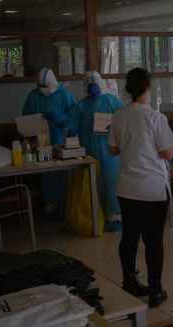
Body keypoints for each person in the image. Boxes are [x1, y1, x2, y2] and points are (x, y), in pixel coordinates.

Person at [108, 68, 173, 307]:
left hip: (127, 189)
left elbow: (113, 150)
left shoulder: (118, 116)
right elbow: (168, 152)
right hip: (153, 189)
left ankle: (129, 282)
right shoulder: (156, 118)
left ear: (128, 88)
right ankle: (156, 291)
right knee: (153, 240)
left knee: (129, 237)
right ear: (148, 87)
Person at [71, 71, 124, 232]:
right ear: (86, 88)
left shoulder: (111, 101)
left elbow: (124, 119)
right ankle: (96, 218)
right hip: (89, 152)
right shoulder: (80, 106)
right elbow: (71, 124)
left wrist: (114, 125)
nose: (93, 89)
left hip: (110, 152)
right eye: (90, 86)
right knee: (93, 186)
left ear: (100, 85)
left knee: (111, 184)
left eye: (95, 86)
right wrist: (71, 132)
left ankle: (115, 218)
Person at [23, 68, 76, 216]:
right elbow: (26, 118)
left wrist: (59, 118)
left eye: (46, 87)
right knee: (47, 175)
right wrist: (30, 135)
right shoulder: (33, 96)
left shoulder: (65, 95)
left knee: (63, 175)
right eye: (41, 87)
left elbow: (74, 118)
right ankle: (50, 205)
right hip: (41, 145)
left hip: (61, 141)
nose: (43, 90)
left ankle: (65, 207)